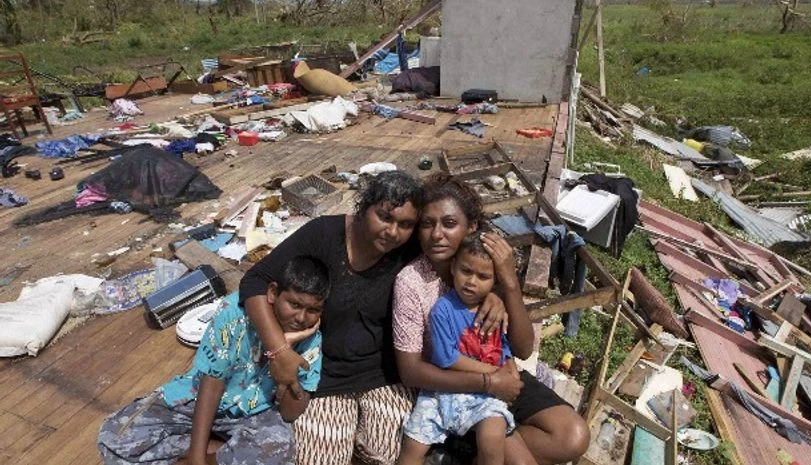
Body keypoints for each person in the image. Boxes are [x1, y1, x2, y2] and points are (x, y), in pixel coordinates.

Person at [239, 170, 510, 465]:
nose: (393, 232)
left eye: (406, 224)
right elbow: (254, 280)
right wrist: (279, 351)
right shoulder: (323, 234)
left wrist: (493, 294)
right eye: (384, 217)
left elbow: (465, 257)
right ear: (362, 208)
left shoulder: (408, 247)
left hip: (383, 376)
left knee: (391, 454)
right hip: (325, 378)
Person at [393, 173, 591, 465]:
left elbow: (523, 349)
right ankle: (487, 447)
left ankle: (480, 450)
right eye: (427, 223)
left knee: (574, 436)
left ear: (471, 226)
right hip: (454, 385)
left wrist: (508, 284)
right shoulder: (413, 282)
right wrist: (489, 381)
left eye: (449, 223)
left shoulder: (486, 267)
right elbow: (412, 370)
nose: (437, 234)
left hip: (503, 374)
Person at [97, 256, 329, 465]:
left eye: (313, 310)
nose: (301, 318)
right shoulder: (234, 315)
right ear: (272, 292)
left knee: (278, 448)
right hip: (200, 398)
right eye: (295, 305)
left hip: (253, 413)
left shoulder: (310, 341)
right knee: (114, 436)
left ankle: (197, 456)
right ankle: (212, 451)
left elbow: (289, 413)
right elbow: (212, 384)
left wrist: (286, 359)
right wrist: (198, 458)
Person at [398, 232, 522, 465]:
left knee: (493, 437)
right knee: (412, 445)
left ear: (495, 282)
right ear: (453, 268)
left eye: (483, 276)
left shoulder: (494, 314)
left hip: (484, 396)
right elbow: (446, 358)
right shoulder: (442, 310)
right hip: (442, 392)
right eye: (466, 271)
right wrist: (494, 374)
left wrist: (510, 369)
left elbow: (503, 349)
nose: (472, 281)